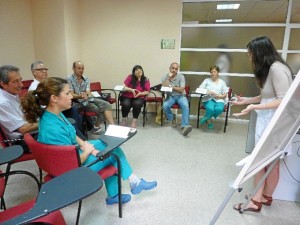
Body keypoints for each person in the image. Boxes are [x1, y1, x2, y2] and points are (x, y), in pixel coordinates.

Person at [20, 77, 157, 205]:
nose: (71, 96)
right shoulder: (52, 128)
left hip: (70, 155)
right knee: (112, 155)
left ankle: (129, 186)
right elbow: (73, 163)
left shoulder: (53, 114)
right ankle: (128, 187)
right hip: (70, 170)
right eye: (67, 93)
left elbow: (71, 133)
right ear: (54, 98)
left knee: (111, 146)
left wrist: (85, 144)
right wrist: (87, 151)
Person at [232, 36, 293, 212]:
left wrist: (255, 106)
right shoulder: (274, 68)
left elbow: (283, 100)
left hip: (273, 122)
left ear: (260, 53)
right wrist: (246, 101)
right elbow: (268, 96)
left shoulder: (276, 69)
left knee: (259, 161)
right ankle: (265, 196)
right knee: (272, 162)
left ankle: (255, 201)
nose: (250, 58)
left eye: (250, 54)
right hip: (271, 119)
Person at [29, 60, 85, 139]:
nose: (44, 71)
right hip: (50, 113)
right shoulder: (34, 88)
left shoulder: (46, 83)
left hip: (54, 111)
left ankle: (78, 133)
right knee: (73, 113)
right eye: (41, 70)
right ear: (33, 72)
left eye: (45, 69)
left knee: (75, 111)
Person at [67, 61, 114, 134]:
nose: (81, 70)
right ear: (73, 68)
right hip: (77, 102)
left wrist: (87, 94)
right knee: (97, 108)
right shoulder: (69, 79)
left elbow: (88, 91)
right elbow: (72, 95)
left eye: (82, 68)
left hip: (88, 99)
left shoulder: (86, 78)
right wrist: (81, 96)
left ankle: (110, 127)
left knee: (107, 105)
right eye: (79, 68)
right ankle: (95, 127)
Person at [0, 65, 38, 152]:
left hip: (29, 133)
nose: (21, 84)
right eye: (16, 81)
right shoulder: (3, 103)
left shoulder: (12, 93)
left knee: (65, 128)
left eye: (20, 80)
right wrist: (46, 121)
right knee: (60, 132)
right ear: (3, 84)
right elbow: (23, 129)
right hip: (21, 141)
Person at [161, 62, 192, 136]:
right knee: (165, 106)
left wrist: (172, 87)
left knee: (185, 106)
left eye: (176, 69)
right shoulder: (165, 77)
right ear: (169, 68)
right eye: (173, 68)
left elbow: (181, 90)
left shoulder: (181, 77)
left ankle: (185, 126)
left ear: (177, 70)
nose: (174, 70)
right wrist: (168, 78)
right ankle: (172, 118)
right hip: (170, 96)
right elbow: (163, 87)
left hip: (181, 96)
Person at [198, 65, 228, 129]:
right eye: (211, 72)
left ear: (217, 72)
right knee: (210, 109)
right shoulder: (206, 80)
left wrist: (219, 96)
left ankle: (207, 117)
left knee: (219, 109)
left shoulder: (222, 82)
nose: (213, 73)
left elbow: (225, 94)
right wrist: (208, 91)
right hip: (208, 99)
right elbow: (199, 89)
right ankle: (209, 122)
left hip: (219, 99)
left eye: (214, 71)